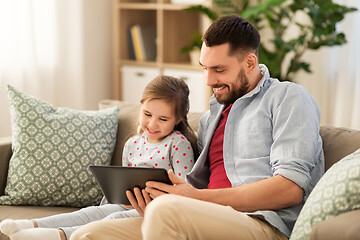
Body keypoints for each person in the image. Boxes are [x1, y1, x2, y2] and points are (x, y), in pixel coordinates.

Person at [69, 15, 324, 240]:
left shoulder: (288, 97)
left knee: (165, 211)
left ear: (249, 62)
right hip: (202, 216)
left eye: (219, 69)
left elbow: (289, 189)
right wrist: (160, 199)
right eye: (205, 68)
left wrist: (191, 199)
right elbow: (196, 190)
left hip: (262, 224)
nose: (209, 80)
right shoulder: (211, 117)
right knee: (89, 234)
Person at [0, 75, 197, 240]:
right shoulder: (132, 144)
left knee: (113, 219)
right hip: (128, 202)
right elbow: (124, 182)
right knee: (90, 212)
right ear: (140, 107)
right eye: (147, 114)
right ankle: (28, 224)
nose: (152, 124)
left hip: (155, 209)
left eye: (163, 119)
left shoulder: (178, 144)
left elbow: (183, 191)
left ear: (178, 119)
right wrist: (116, 196)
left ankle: (55, 235)